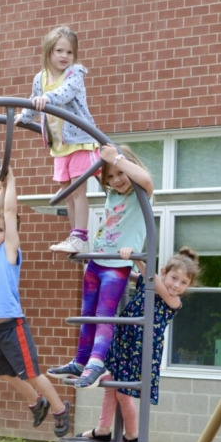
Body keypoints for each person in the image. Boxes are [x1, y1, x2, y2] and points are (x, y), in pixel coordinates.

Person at [48, 144, 153, 389]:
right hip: (96, 261)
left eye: (120, 173)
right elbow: (86, 175)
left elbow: (146, 179)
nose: (116, 180)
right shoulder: (113, 194)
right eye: (110, 176)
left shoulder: (141, 193)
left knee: (104, 314)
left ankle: (97, 362)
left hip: (117, 263)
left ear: (130, 167)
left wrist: (116, 158)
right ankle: (81, 360)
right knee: (88, 314)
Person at [0, 169, 72, 437]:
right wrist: (2, 186)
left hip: (11, 325)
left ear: (10, 233)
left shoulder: (9, 251)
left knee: (30, 373)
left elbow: (8, 212)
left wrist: (12, 182)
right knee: (4, 374)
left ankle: (59, 408)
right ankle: (37, 402)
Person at [76, 248, 199, 442]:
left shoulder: (174, 301)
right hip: (123, 342)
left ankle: (132, 433)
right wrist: (101, 265)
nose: (176, 285)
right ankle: (103, 429)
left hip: (139, 350)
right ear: (164, 272)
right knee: (110, 383)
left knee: (123, 392)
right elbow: (129, 275)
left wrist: (137, 258)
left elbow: (152, 280)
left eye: (184, 282)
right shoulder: (148, 282)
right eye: (174, 278)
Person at [17, 26, 99, 254]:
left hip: (80, 139)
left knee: (77, 190)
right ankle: (75, 237)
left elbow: (65, 93)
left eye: (69, 52)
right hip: (59, 145)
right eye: (59, 51)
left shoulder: (75, 73)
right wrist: (24, 117)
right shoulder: (40, 78)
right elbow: (34, 101)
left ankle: (80, 236)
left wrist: (47, 98)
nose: (65, 56)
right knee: (67, 193)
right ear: (48, 52)